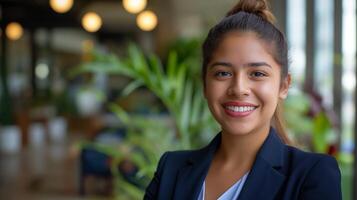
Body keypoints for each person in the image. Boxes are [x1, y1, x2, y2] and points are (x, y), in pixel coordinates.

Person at [144, 0, 342, 199]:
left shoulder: (312, 174)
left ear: (284, 85)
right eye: (223, 73)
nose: (239, 89)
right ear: (204, 84)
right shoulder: (171, 169)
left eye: (257, 74)